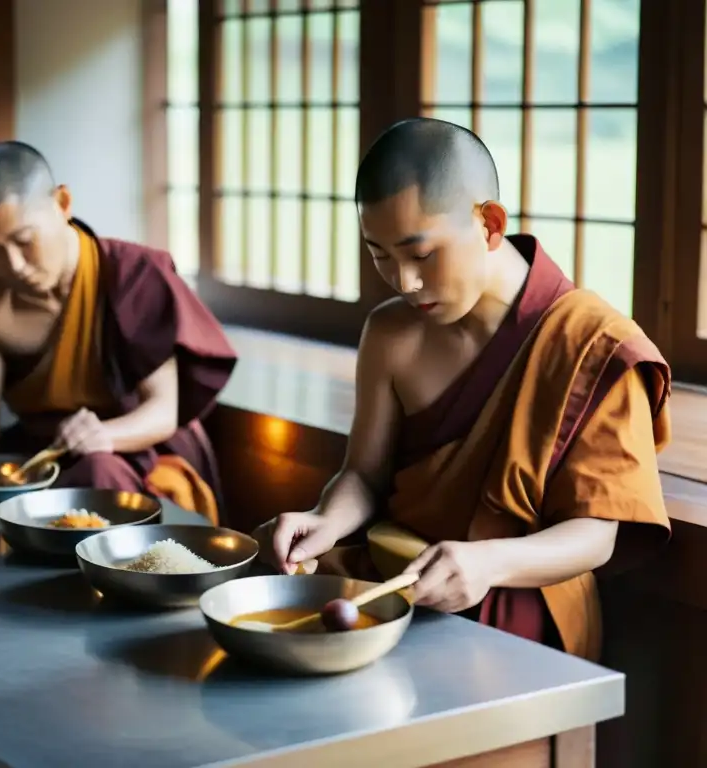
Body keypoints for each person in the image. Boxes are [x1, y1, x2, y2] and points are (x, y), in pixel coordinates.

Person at [253, 118, 671, 661]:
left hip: (517, 602)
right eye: (380, 255)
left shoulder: (593, 343)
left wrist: (488, 563)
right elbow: (364, 473)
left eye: (421, 254)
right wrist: (326, 521)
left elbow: (596, 533)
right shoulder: (390, 333)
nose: (404, 282)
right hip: (393, 583)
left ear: (490, 224)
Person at [0, 141, 237, 524]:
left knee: (96, 473)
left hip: (135, 452)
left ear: (62, 204)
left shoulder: (133, 275)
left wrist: (104, 436)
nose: (13, 265)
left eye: (25, 241)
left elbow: (161, 412)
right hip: (43, 453)